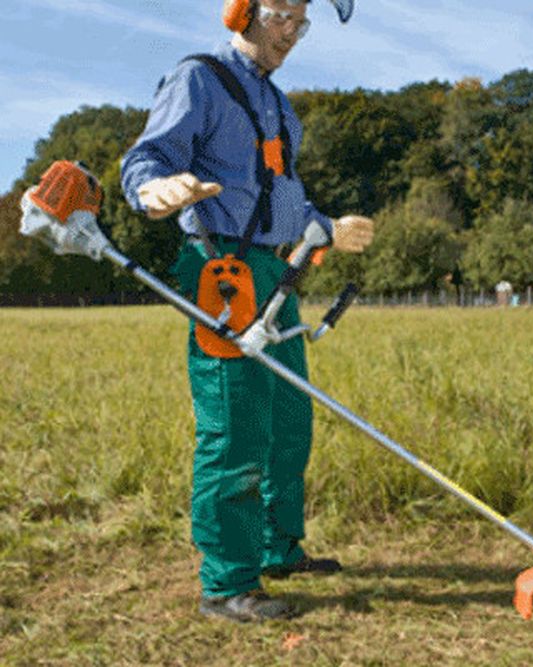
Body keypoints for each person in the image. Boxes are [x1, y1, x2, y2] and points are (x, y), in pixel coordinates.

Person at [120, 0, 374, 622]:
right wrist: (156, 188)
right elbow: (145, 160)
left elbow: (281, 198)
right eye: (282, 15)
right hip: (221, 269)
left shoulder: (283, 109)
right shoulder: (199, 79)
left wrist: (326, 227)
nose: (292, 32)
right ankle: (228, 582)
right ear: (243, 12)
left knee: (289, 417)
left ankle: (277, 547)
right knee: (235, 424)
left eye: (301, 22)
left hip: (275, 272)